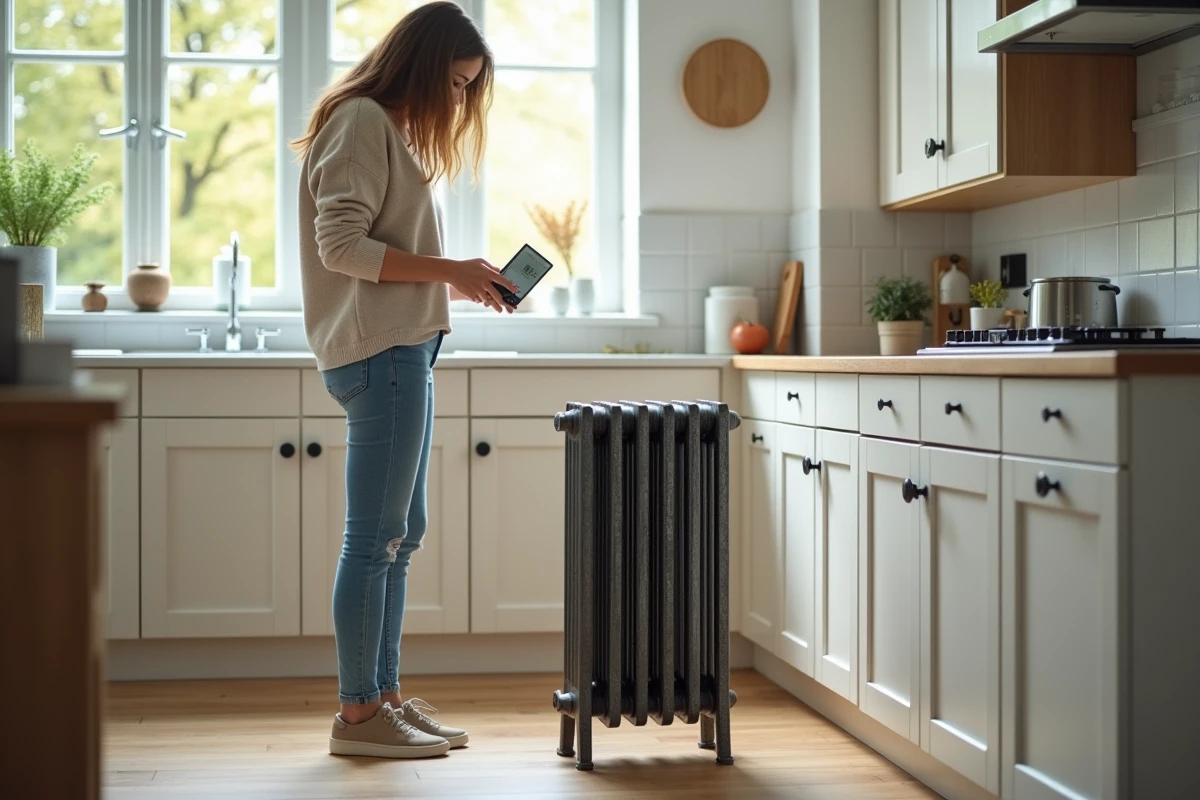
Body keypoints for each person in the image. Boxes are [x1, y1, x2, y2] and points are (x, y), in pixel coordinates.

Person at [290, 1, 518, 759]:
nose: (457, 101)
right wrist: (448, 269)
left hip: (404, 348)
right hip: (380, 355)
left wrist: (456, 283)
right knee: (375, 536)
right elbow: (342, 247)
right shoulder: (358, 120)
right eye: (454, 84)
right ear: (422, 67)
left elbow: (382, 258)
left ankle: (383, 694)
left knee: (401, 533)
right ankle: (358, 715)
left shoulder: (378, 128)